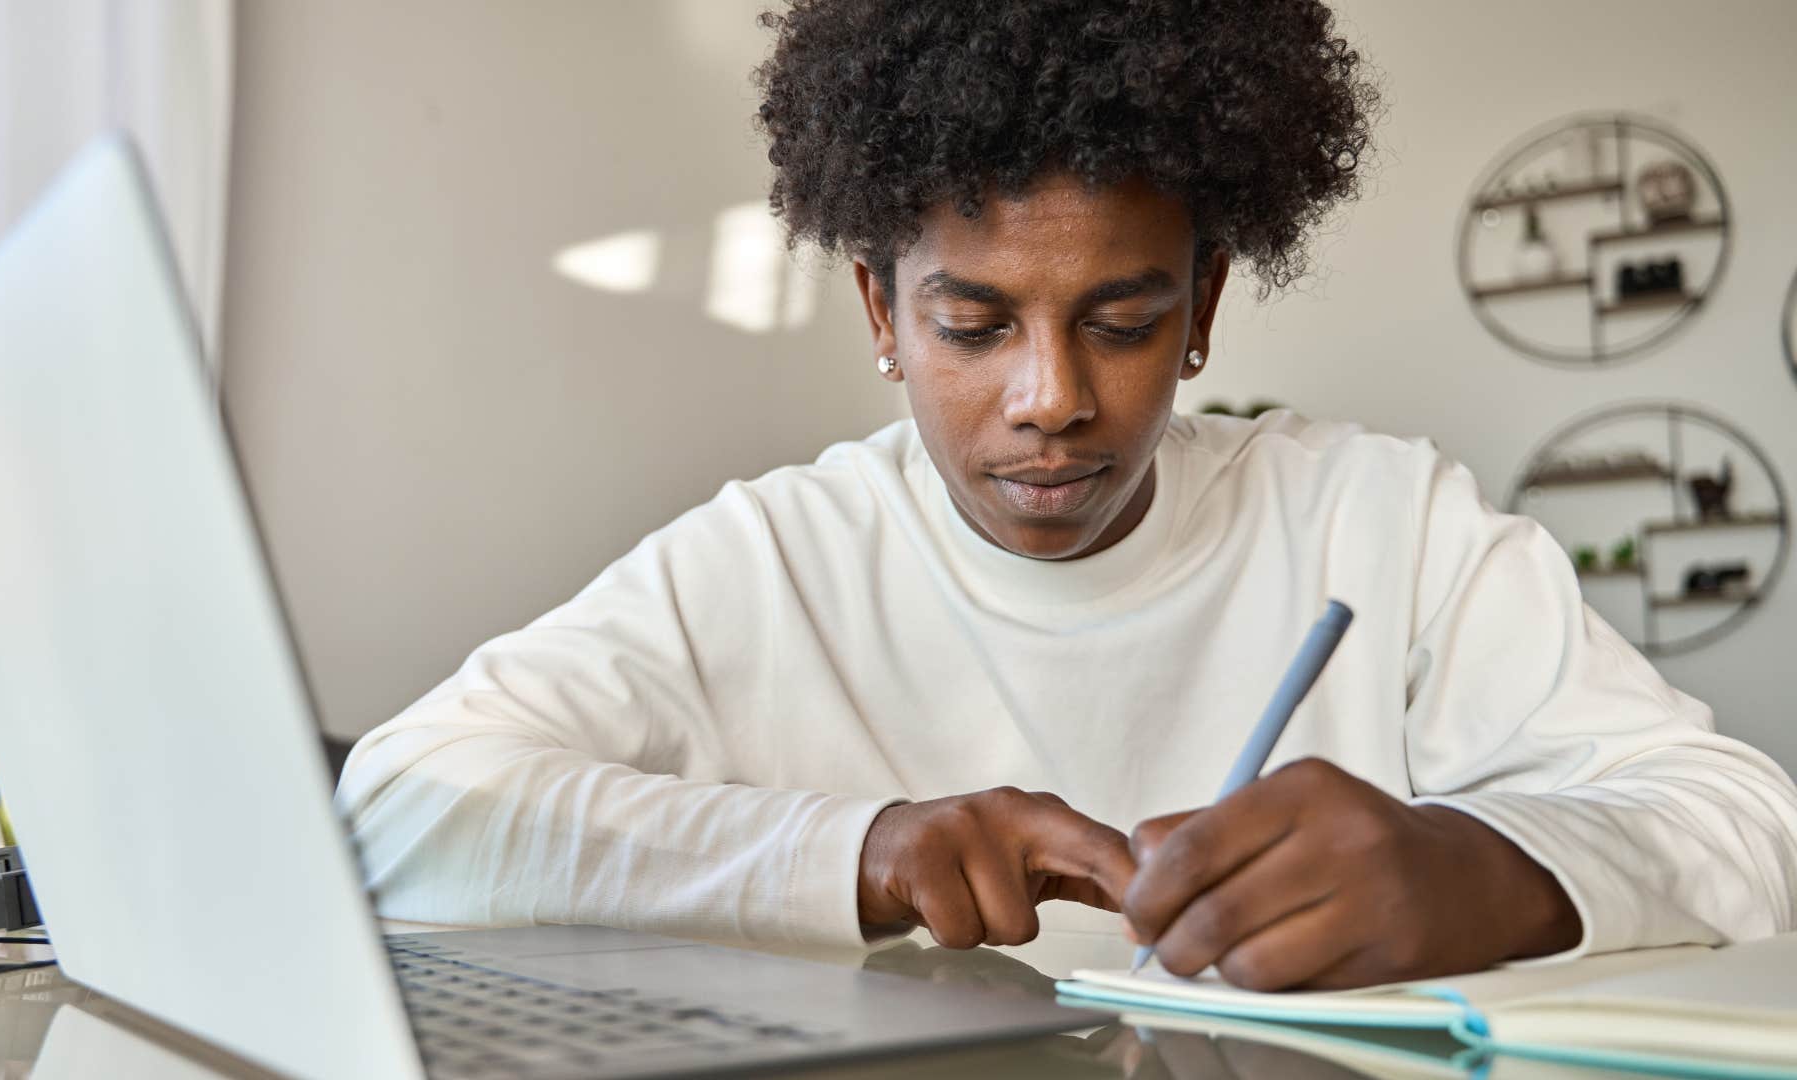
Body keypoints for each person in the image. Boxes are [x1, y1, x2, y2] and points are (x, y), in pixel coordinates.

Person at [336, 0, 1797, 991]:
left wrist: (1484, 871)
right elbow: (399, 813)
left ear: (1206, 304)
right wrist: (860, 850)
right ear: (882, 312)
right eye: (975, 326)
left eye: (1122, 320)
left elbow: (1745, 826)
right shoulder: (773, 558)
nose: (1052, 398)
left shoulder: (1383, 521)